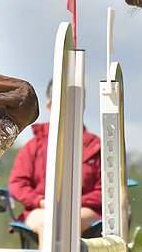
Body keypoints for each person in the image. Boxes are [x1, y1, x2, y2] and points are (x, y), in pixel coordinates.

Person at [8, 79, 101, 247]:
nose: (68, 110)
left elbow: (106, 191)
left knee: (68, 222)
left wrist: (73, 203)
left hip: (84, 210)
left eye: (73, 104)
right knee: (48, 223)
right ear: (50, 107)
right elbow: (18, 184)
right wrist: (41, 202)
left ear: (82, 106)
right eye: (61, 105)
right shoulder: (33, 147)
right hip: (41, 210)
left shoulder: (98, 147)